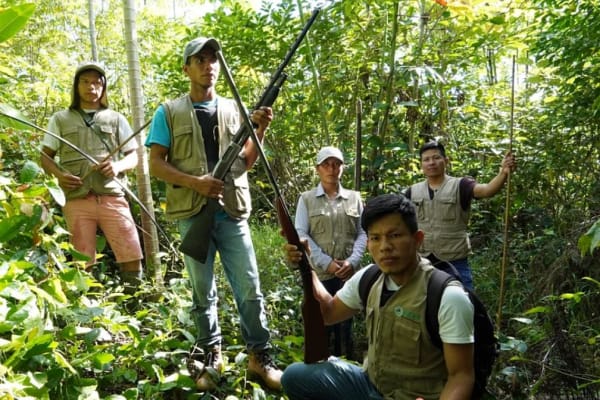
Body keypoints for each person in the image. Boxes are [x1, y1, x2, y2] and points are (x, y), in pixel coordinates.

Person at [145, 37, 282, 391]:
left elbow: (246, 163)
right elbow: (155, 165)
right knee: (201, 293)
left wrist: (261, 128)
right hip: (193, 213)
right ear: (186, 68)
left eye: (213, 60)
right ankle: (211, 354)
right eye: (200, 59)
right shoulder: (168, 111)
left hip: (232, 212)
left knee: (250, 289)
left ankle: (259, 358)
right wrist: (197, 183)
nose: (209, 66)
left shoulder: (235, 110)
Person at [281, 193, 475, 400]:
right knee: (293, 376)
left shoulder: (447, 296)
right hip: (370, 385)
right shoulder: (370, 277)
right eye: (375, 238)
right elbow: (327, 313)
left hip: (414, 396)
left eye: (395, 235)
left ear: (417, 239)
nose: (385, 247)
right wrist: (305, 266)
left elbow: (461, 376)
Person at [40, 61, 143, 291]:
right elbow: (45, 156)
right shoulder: (61, 118)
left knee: (130, 252)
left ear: (103, 88)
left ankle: (136, 300)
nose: (91, 87)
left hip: (112, 196)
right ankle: (87, 306)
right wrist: (59, 175)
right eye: (85, 82)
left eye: (97, 82)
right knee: (81, 257)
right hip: (76, 199)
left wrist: (117, 167)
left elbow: (134, 157)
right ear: (76, 86)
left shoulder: (115, 119)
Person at [405, 141, 516, 290]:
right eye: (426, 159)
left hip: (455, 260)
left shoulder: (461, 185)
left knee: (465, 302)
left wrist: (503, 172)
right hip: (422, 261)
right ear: (421, 165)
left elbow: (487, 190)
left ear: (446, 161)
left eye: (436, 158)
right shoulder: (412, 191)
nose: (431, 162)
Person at [294, 146, 366, 358]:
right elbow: (301, 234)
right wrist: (327, 263)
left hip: (348, 276)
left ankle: (347, 364)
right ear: (318, 169)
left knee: (346, 325)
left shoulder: (354, 198)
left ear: (342, 168)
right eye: (326, 164)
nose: (332, 169)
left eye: (336, 164)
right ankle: (320, 367)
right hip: (320, 275)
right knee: (321, 322)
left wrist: (352, 262)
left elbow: (364, 232)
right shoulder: (306, 199)